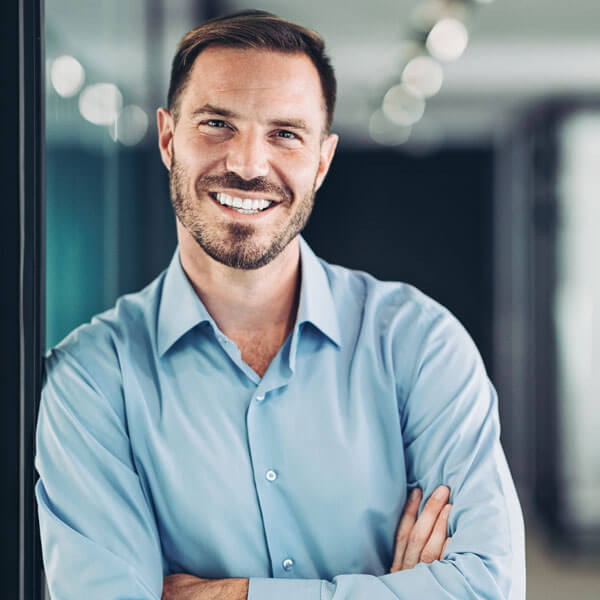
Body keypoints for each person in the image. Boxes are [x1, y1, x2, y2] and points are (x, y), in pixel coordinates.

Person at [36, 9, 525, 600]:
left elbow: (484, 588)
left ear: (322, 160)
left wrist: (229, 594)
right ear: (169, 138)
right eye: (217, 124)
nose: (246, 164)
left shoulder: (418, 343)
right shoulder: (91, 377)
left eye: (285, 133)